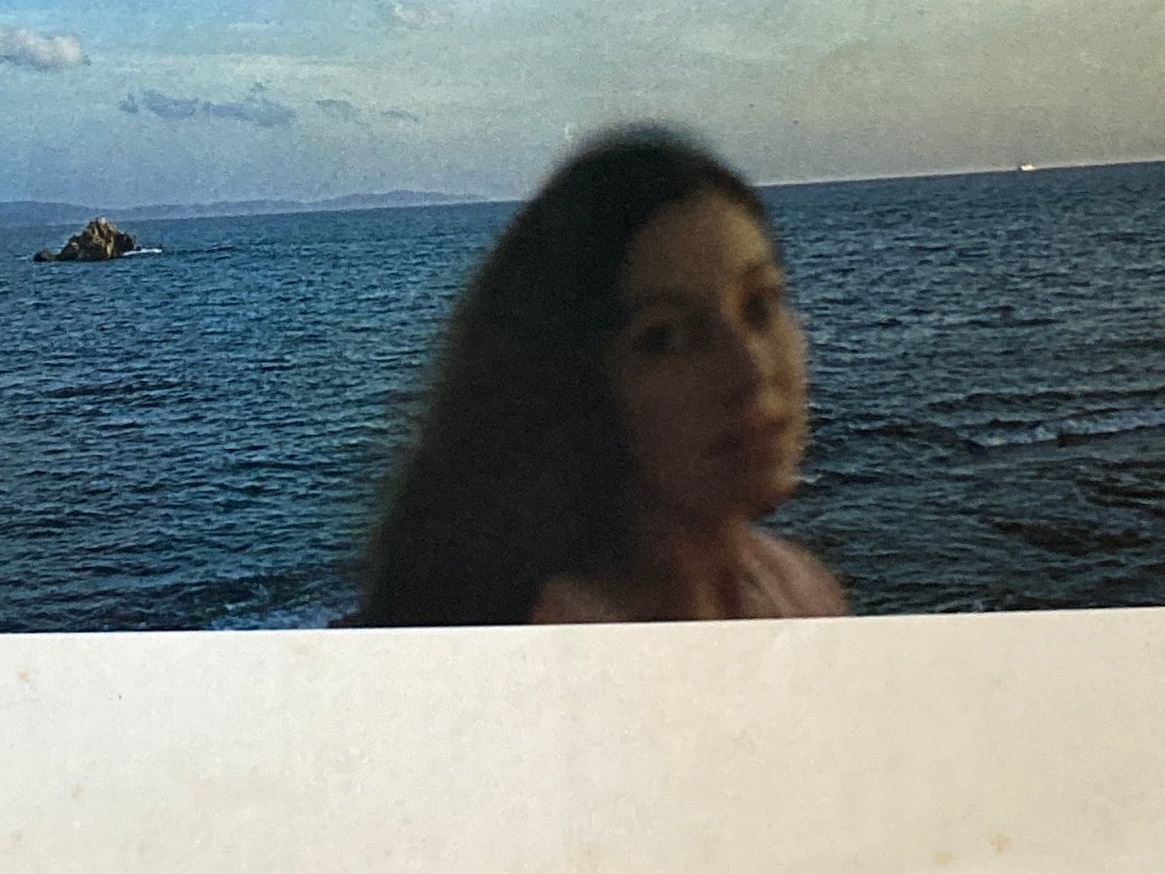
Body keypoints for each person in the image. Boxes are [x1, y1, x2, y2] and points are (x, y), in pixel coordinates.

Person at [353, 128, 847, 627]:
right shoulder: (550, 637)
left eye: (760, 305)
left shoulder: (799, 587)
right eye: (667, 337)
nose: (751, 369)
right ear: (579, 383)